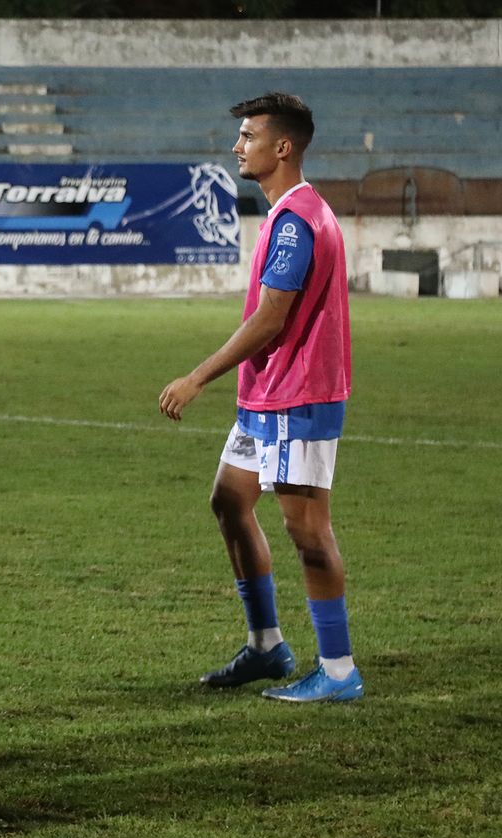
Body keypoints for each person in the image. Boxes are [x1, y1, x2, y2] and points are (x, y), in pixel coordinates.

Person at [158, 92, 361, 703]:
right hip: (267, 397)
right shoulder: (290, 212)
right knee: (229, 499)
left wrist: (197, 377)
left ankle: (339, 671)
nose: (237, 146)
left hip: (298, 397)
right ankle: (268, 645)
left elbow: (271, 319)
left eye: (248, 136)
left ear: (283, 146)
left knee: (309, 531)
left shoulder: (297, 220)